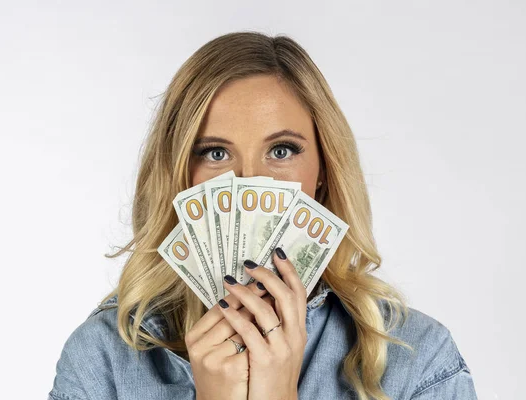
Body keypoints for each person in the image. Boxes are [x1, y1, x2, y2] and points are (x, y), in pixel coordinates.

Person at [48, 31, 478, 400]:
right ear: (180, 176)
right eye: (215, 153)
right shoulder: (102, 359)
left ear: (324, 170)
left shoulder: (417, 358)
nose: (250, 181)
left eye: (281, 150)